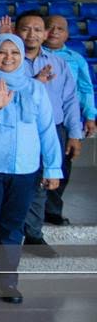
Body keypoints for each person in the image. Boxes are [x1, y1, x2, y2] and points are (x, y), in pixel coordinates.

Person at [0, 33, 62, 304]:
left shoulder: (35, 88)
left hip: (25, 169)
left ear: (21, 57)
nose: (8, 58)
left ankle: (7, 282)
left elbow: (47, 131)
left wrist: (53, 168)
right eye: (2, 52)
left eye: (14, 53)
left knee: (13, 227)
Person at [8, 13, 82, 259]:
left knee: (42, 182)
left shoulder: (59, 64)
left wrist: (74, 134)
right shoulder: (7, 60)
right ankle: (9, 232)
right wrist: (34, 82)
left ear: (45, 33)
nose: (32, 34)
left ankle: (34, 234)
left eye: (37, 29)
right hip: (18, 128)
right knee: (14, 181)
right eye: (26, 29)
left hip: (53, 130)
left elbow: (71, 100)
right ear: (16, 31)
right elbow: (2, 93)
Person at [42, 14, 97, 225]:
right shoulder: (33, 55)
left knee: (62, 165)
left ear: (67, 34)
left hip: (65, 121)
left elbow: (84, 89)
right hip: (37, 121)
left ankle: (53, 210)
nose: (54, 31)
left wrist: (90, 116)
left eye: (60, 28)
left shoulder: (76, 59)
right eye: (49, 27)